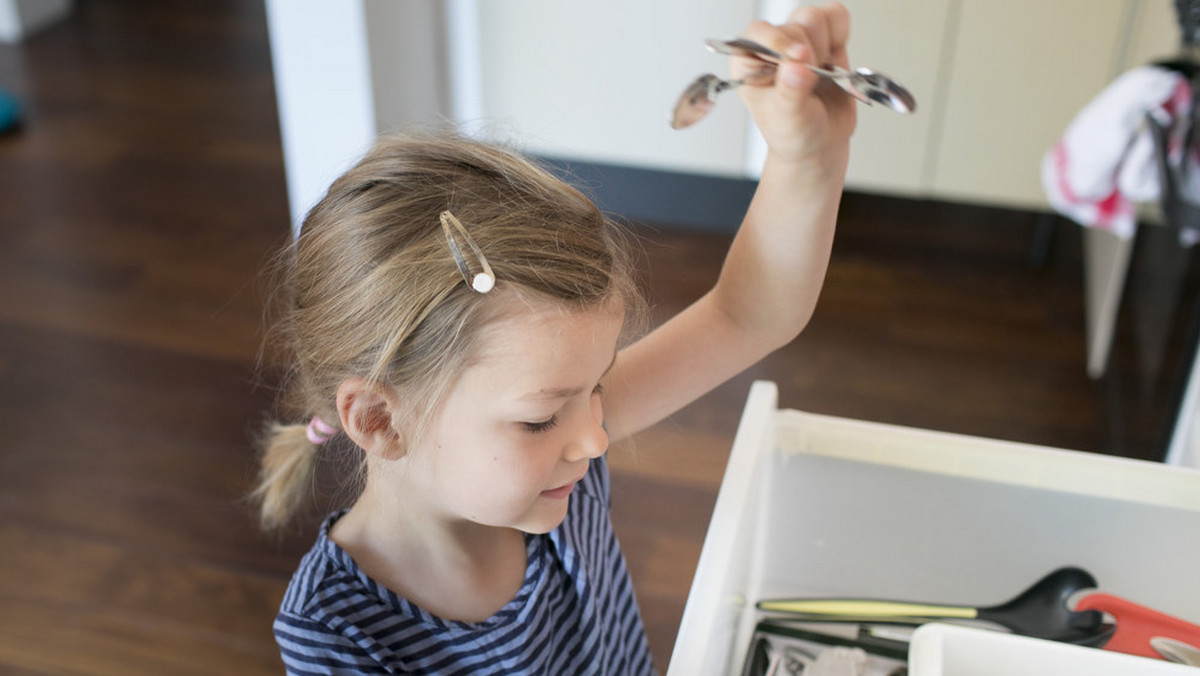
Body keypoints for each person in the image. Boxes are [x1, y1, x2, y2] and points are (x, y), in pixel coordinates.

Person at [253, 3, 855, 674]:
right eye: (539, 419)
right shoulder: (336, 634)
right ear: (379, 420)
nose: (596, 438)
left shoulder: (558, 457)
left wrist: (808, 160)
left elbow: (748, 315)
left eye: (596, 388)